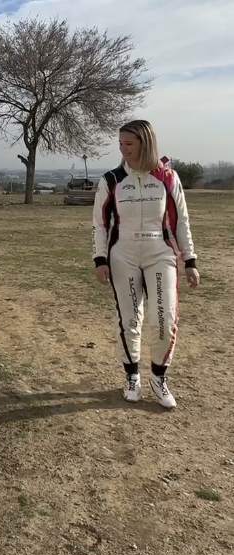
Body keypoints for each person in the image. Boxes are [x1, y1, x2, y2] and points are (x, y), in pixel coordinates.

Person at [91, 119, 200, 409]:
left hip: (160, 253)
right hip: (123, 254)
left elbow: (181, 221)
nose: (123, 149)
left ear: (145, 143)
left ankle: (159, 377)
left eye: (129, 143)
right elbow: (100, 224)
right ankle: (132, 376)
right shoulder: (111, 180)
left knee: (165, 319)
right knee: (129, 320)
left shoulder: (168, 177)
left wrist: (190, 260)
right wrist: (100, 259)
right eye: (120, 144)